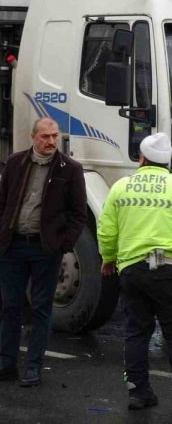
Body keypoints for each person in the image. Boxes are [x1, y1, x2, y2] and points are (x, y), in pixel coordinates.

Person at [97, 132, 172, 411]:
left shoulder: (121, 187)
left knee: (136, 331)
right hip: (168, 272)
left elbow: (106, 230)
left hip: (131, 270)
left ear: (141, 158)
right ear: (167, 161)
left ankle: (139, 393)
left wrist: (108, 259)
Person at [0, 117, 87, 387]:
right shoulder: (16, 162)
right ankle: (6, 365)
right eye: (45, 137)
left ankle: (34, 367)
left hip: (45, 249)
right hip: (13, 246)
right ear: (33, 137)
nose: (51, 141)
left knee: (40, 309)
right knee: (10, 307)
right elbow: (3, 201)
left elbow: (78, 214)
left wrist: (62, 244)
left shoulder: (69, 169)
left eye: (54, 136)